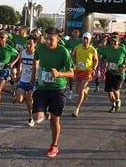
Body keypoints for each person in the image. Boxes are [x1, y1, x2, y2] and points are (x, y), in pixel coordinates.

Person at [31, 27, 74, 158]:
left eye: (52, 39)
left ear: (58, 39)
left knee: (55, 120)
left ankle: (54, 146)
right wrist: (34, 74)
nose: (49, 42)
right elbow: (36, 60)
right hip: (42, 88)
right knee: (37, 118)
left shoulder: (63, 51)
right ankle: (46, 112)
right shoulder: (41, 48)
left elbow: (72, 73)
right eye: (48, 39)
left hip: (57, 89)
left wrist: (59, 73)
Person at [101, 34, 126, 113]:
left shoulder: (122, 50)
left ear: (118, 42)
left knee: (115, 90)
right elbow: (103, 58)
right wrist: (103, 62)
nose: (113, 44)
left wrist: (124, 65)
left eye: (115, 42)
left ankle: (118, 100)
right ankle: (113, 105)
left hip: (119, 73)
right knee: (109, 91)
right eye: (111, 42)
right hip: (109, 72)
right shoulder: (107, 49)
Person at [71, 32, 98, 117]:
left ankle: (77, 109)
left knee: (81, 89)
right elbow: (72, 56)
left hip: (87, 71)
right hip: (78, 71)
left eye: (87, 39)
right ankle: (85, 91)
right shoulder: (77, 47)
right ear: (82, 39)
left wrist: (94, 68)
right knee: (78, 90)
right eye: (84, 38)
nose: (85, 40)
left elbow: (96, 60)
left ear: (90, 40)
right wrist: (74, 64)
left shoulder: (92, 49)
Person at [13, 36, 38, 126]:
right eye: (27, 43)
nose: (28, 45)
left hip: (33, 80)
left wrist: (36, 77)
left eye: (30, 44)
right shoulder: (23, 52)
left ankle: (31, 118)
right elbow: (20, 62)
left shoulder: (37, 54)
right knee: (19, 100)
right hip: (23, 79)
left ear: (35, 44)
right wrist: (18, 75)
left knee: (29, 98)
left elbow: (39, 67)